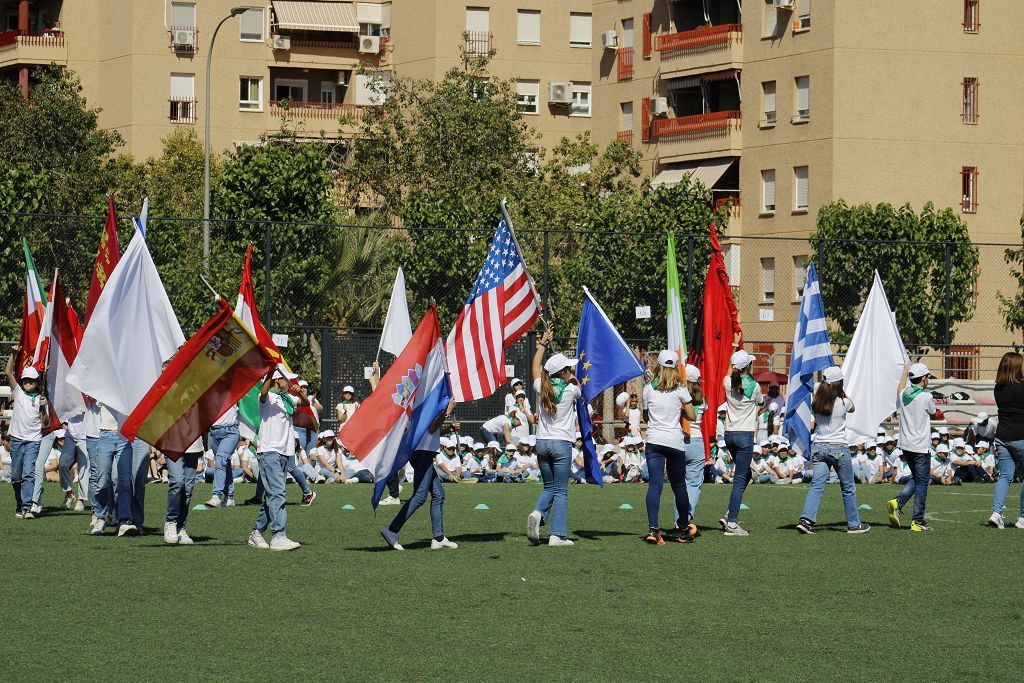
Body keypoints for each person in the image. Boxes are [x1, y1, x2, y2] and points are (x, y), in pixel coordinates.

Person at [796, 366, 870, 534]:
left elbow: (818, 387)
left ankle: (806, 520)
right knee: (848, 487)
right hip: (838, 447)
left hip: (819, 446)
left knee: (817, 485)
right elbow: (854, 407)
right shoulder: (844, 402)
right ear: (839, 383)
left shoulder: (816, 399)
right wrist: (840, 390)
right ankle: (853, 524)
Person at [381, 397, 458, 551]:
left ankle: (438, 537)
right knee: (420, 496)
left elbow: (431, 431)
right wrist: (447, 412)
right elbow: (430, 428)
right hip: (422, 453)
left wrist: (447, 429)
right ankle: (392, 530)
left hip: (424, 453)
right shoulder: (425, 402)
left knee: (438, 494)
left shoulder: (425, 401)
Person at [526, 329, 580, 547]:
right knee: (561, 491)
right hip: (561, 444)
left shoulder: (541, 387)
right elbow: (579, 387)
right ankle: (557, 534)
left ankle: (538, 514)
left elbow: (535, 368)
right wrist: (573, 377)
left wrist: (542, 345)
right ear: (564, 373)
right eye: (568, 368)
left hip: (541, 443)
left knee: (549, 487)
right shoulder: (571, 390)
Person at [639, 350, 697, 545]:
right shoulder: (681, 388)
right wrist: (678, 408)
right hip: (674, 441)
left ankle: (653, 530)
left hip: (654, 440)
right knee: (679, 486)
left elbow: (646, 417)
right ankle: (682, 528)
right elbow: (692, 416)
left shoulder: (648, 388)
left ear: (658, 366)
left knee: (655, 485)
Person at [248, 367, 308, 551]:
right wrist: (269, 372)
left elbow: (305, 404)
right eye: (286, 380)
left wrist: (302, 394)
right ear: (277, 380)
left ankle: (256, 533)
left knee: (273, 495)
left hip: (284, 451)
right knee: (277, 493)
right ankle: (278, 535)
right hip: (269, 451)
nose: (290, 383)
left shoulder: (287, 398)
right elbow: (263, 392)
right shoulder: (266, 398)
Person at [888, 363, 938, 532]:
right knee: (923, 482)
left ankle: (898, 502)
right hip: (921, 446)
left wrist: (903, 372)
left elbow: (900, 389)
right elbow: (934, 412)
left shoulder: (904, 394)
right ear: (924, 378)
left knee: (916, 478)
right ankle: (917, 520)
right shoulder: (926, 396)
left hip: (905, 444)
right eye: (928, 377)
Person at [720, 349, 765, 536]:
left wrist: (733, 349)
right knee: (740, 479)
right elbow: (761, 404)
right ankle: (732, 523)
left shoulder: (727, 382)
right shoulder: (754, 386)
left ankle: (730, 513)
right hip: (744, 435)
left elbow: (730, 373)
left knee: (745, 475)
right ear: (748, 366)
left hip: (729, 434)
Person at [6, 349, 50, 519]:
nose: (27, 383)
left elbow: (45, 423)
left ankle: (26, 507)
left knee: (28, 473)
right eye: (25, 380)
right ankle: (19, 502)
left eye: (31, 380)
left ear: (37, 382)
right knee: (16, 476)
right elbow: (8, 372)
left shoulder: (42, 398)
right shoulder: (18, 392)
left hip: (33, 440)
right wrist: (13, 355)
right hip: (17, 439)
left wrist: (42, 407)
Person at [988, 351, 1024, 529]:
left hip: (1002, 436)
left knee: (1005, 476)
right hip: (1021, 436)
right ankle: (1023, 517)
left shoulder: (998, 387)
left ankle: (996, 513)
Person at [164, 437, 204, 545]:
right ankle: (171, 522)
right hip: (172, 443)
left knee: (187, 490)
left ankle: (181, 527)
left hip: (193, 446)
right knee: (177, 482)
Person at [682, 364, 708, 519]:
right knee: (693, 483)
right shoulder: (702, 399)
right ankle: (687, 515)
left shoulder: (679, 395)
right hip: (696, 440)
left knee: (681, 485)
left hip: (680, 439)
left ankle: (680, 518)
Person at [204, 403, 240, 508]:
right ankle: (229, 497)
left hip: (230, 431)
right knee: (225, 463)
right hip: (214, 432)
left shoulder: (232, 390)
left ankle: (216, 496)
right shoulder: (212, 392)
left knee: (220, 460)